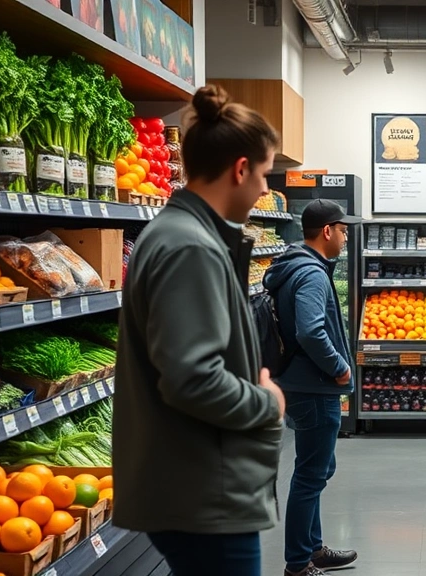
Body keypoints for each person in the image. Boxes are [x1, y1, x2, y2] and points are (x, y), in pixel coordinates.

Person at [113, 85, 286, 576]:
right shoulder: (190, 248)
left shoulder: (176, 234)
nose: (262, 191)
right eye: (264, 175)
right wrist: (266, 402)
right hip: (203, 492)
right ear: (239, 169)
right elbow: (193, 379)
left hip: (191, 484)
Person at [263, 199, 360, 576]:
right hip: (315, 387)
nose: (345, 237)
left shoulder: (294, 265)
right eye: (343, 230)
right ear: (327, 231)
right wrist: (338, 368)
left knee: (316, 469)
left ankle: (313, 548)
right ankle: (298, 563)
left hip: (299, 384)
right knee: (309, 475)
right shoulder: (312, 275)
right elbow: (310, 330)